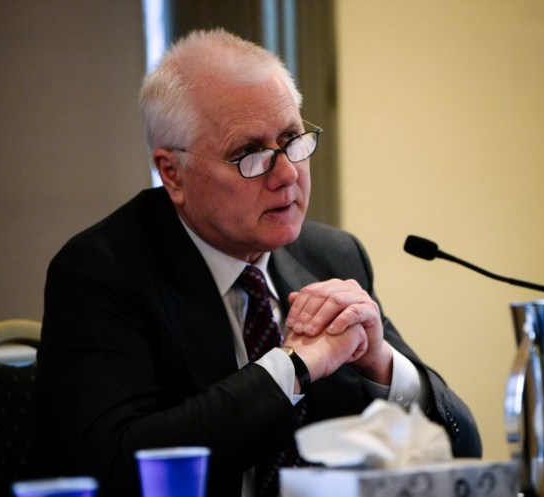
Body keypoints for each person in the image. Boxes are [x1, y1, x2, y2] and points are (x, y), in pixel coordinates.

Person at [36, 28, 481, 497]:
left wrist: (382, 364)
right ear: (173, 174)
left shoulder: (331, 256)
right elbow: (120, 466)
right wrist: (294, 367)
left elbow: (465, 448)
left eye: (292, 139)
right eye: (249, 154)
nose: (287, 174)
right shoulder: (101, 272)